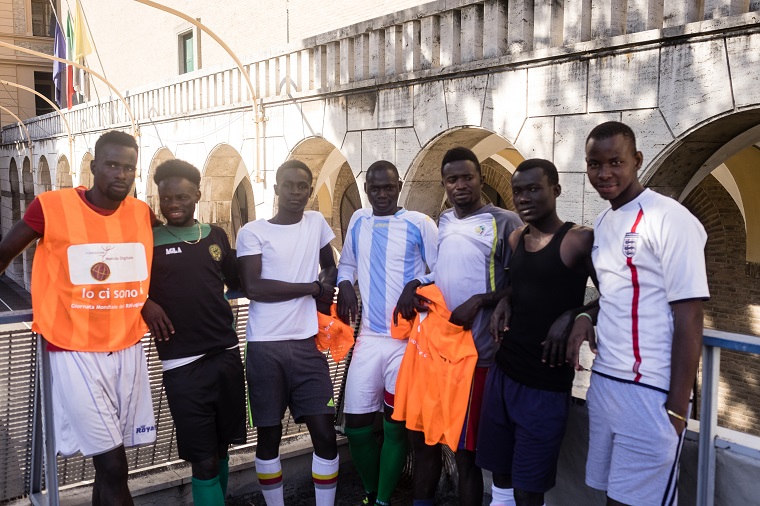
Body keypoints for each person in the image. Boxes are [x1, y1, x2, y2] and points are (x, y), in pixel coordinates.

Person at [0, 130, 155, 505]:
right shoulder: (51, 206)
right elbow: (4, 252)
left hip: (128, 347)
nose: (121, 174)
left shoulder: (141, 212)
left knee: (111, 466)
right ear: (94, 166)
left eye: (129, 167)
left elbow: (155, 264)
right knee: (113, 465)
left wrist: (150, 301)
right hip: (74, 352)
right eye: (112, 165)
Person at [567, 121, 709, 506]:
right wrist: (585, 316)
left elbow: (690, 315)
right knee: (612, 498)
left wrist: (676, 410)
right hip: (605, 384)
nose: (604, 173)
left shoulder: (669, 218)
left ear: (638, 160)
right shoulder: (603, 222)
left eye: (615, 162)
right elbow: (616, 294)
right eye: (595, 164)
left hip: (651, 392)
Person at [398, 147, 523, 506]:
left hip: (478, 355)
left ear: (480, 179)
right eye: (452, 179)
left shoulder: (505, 222)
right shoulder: (446, 220)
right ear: (444, 184)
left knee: (466, 452)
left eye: (468, 177)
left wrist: (481, 301)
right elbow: (444, 270)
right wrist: (416, 284)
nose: (461, 185)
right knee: (425, 440)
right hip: (438, 353)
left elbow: (524, 284)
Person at [477, 159, 596, 506]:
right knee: (500, 474)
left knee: (528, 489)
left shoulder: (578, 239)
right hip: (504, 370)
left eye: (533, 189)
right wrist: (505, 300)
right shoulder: (516, 238)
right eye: (517, 191)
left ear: (555, 190)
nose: (524, 198)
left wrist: (575, 314)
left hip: (546, 382)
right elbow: (521, 286)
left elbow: (614, 297)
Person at [141, 159, 246, 505]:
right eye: (165, 198)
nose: (172, 205)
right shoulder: (147, 240)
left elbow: (236, 279)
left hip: (226, 354)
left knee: (222, 449)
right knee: (203, 461)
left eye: (182, 197)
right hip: (182, 364)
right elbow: (125, 284)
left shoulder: (215, 235)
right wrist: (143, 302)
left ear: (198, 196)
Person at [237, 159, 339, 506]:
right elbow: (254, 287)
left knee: (325, 434)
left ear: (310, 191)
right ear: (276, 188)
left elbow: (330, 267)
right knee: (269, 436)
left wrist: (325, 286)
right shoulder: (253, 232)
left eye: (303, 186)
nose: (296, 192)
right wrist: (311, 289)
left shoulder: (316, 223)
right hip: (265, 347)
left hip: (307, 345)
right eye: (289, 185)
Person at [337, 160, 438, 506]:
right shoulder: (358, 220)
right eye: (375, 188)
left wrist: (416, 282)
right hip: (368, 338)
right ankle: (370, 490)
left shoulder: (419, 223)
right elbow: (347, 263)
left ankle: (381, 500)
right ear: (366, 190)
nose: (382, 194)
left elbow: (441, 269)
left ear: (399, 187)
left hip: (405, 342)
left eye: (389, 187)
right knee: (355, 427)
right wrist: (344, 283)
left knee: (396, 427)